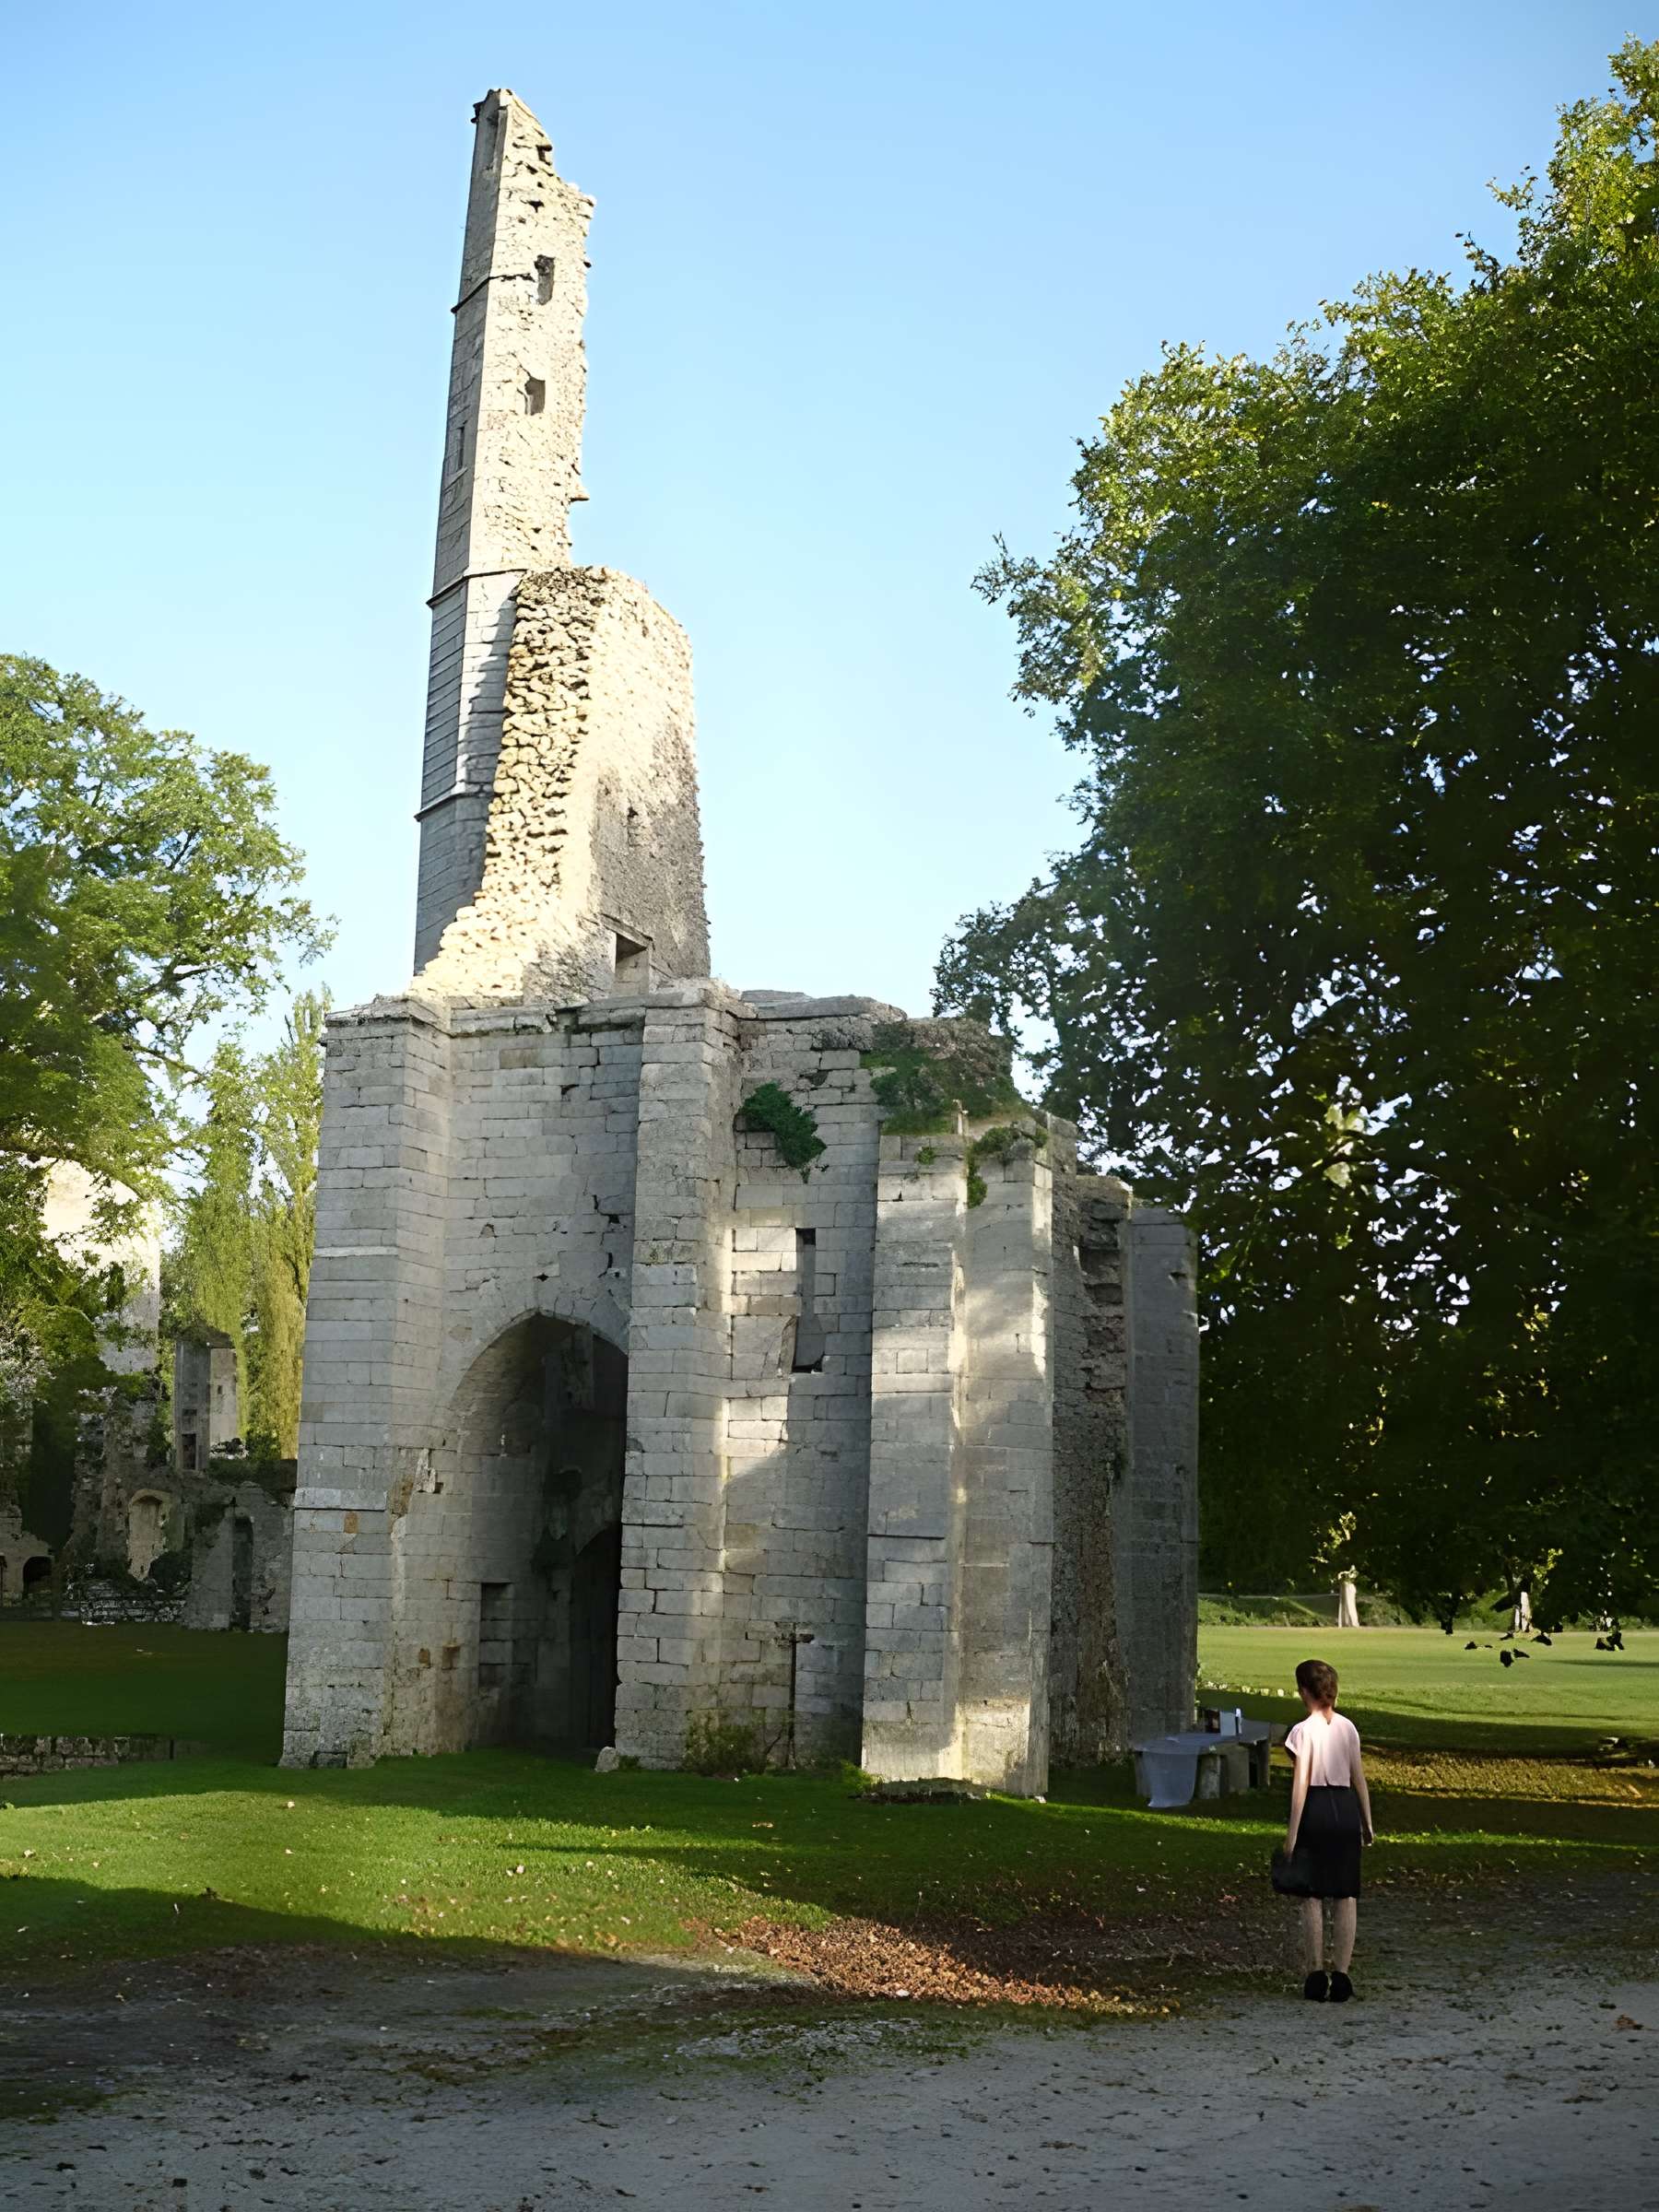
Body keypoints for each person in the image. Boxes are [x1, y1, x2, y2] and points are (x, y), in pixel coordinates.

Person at [1283, 1656, 1374, 2001]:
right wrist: (1367, 1821)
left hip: (1316, 1810)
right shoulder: (1348, 1728)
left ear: (1305, 1692)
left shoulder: (1302, 1732)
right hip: (1345, 1807)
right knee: (1346, 1893)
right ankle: (1343, 1974)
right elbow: (1358, 1778)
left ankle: (1315, 1973)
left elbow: (1300, 1786)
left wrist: (1291, 1835)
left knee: (1312, 1894)